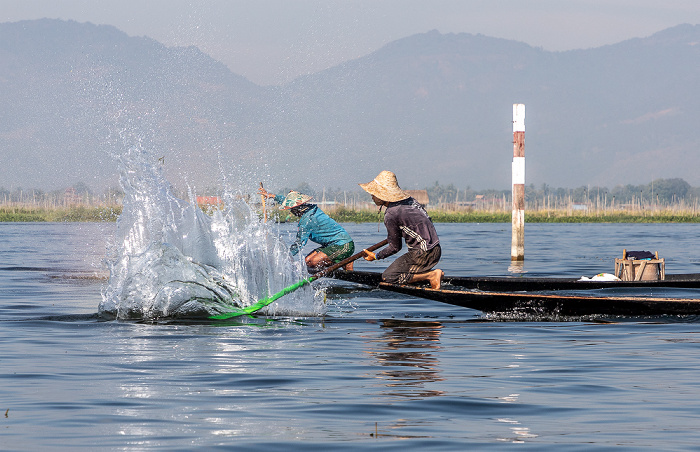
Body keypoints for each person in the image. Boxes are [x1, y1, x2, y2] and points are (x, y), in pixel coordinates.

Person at [358, 170, 443, 289]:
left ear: (383, 194)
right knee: (402, 270)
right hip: (435, 249)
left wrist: (376, 256)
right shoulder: (410, 201)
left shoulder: (391, 214)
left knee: (389, 277)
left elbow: (395, 247)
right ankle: (425, 275)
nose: (372, 196)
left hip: (423, 254)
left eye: (374, 193)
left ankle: (431, 275)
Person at [258, 188, 355, 273]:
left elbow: (298, 244)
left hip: (343, 245)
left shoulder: (306, 221)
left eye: (292, 210)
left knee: (314, 262)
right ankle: (340, 261)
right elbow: (288, 201)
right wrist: (272, 196)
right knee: (307, 262)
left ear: (297, 209)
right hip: (331, 245)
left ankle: (345, 260)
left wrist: (283, 258)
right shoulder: (308, 208)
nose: (291, 211)